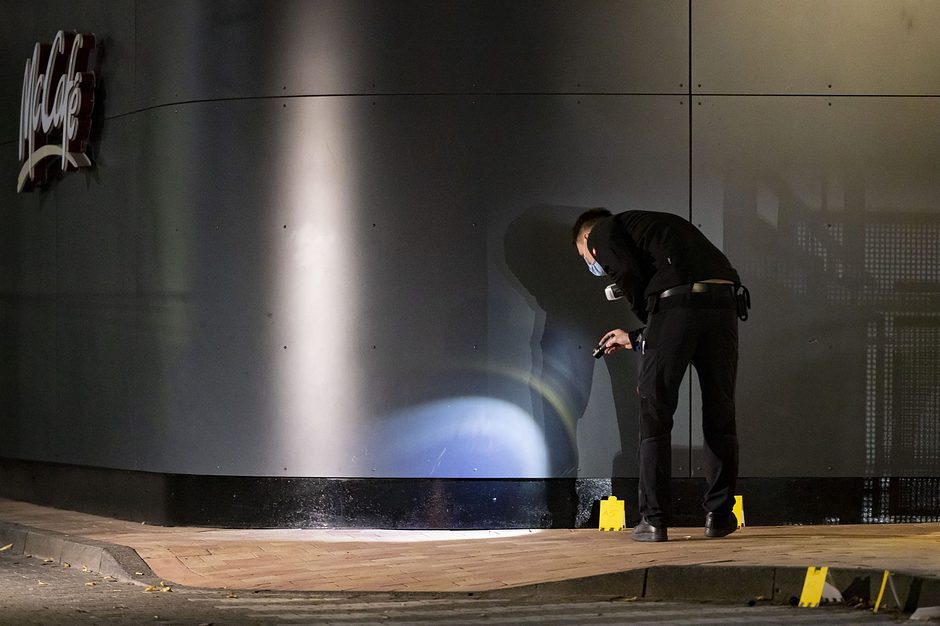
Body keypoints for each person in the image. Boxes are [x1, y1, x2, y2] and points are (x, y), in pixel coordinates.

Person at [572, 208, 748, 542]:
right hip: (724, 304)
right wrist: (641, 336)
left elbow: (628, 274)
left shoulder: (600, 232)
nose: (594, 264)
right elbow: (679, 315)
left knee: (655, 415)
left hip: (676, 306)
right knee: (720, 412)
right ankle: (720, 516)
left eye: (586, 258)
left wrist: (647, 326)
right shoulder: (661, 230)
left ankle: (653, 521)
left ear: (585, 238)